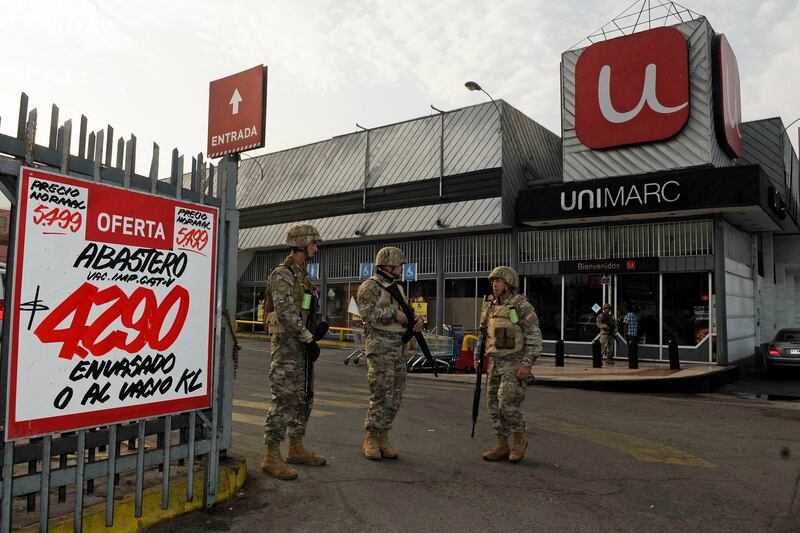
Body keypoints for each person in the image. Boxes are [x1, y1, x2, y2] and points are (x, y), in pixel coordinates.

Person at [261, 224, 326, 480]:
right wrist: (308, 338)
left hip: (301, 346)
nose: (316, 248)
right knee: (284, 399)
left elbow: (307, 306)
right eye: (313, 244)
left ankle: (295, 447)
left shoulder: (304, 276)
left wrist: (319, 324)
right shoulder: (283, 274)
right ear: (302, 244)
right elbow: (286, 312)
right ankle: (271, 455)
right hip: (288, 348)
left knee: (304, 397)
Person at [356, 246, 424, 461]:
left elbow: (406, 315)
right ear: (389, 264)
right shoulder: (370, 286)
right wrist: (393, 313)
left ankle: (384, 437)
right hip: (379, 347)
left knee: (395, 395)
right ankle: (371, 437)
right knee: (380, 394)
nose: (402, 268)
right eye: (400, 264)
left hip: (397, 348)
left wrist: (416, 323)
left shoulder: (398, 288)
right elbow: (366, 314)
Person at [474, 266, 542, 463]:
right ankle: (502, 444)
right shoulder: (492, 306)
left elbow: (534, 337)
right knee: (493, 406)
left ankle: (519, 441)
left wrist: (527, 364)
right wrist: (478, 356)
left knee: (507, 405)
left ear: (509, 283)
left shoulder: (521, 306)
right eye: (493, 281)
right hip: (494, 363)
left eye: (498, 281)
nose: (494, 284)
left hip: (513, 363)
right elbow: (483, 332)